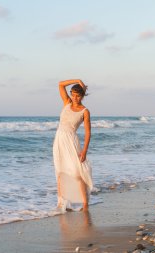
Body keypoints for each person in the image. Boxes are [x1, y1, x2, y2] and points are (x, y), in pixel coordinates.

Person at [53, 79, 93, 212]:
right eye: (73, 94)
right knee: (60, 172)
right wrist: (77, 80)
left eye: (78, 95)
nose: (75, 98)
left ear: (82, 96)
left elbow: (88, 132)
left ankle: (85, 203)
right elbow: (60, 84)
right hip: (59, 140)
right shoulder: (67, 103)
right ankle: (61, 203)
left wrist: (84, 151)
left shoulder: (84, 111)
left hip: (71, 141)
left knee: (76, 173)